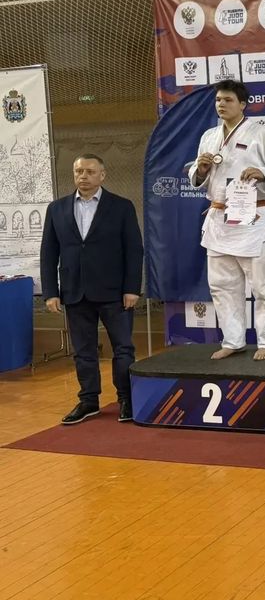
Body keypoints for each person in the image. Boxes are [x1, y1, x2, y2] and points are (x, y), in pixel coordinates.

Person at [189, 80, 265, 361]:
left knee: (263, 286)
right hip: (220, 218)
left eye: (228, 100)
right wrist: (201, 170)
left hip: (253, 217)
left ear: (243, 104)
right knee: (222, 285)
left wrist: (263, 173)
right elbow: (198, 177)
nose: (221, 104)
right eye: (218, 100)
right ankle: (233, 340)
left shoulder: (261, 134)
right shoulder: (209, 136)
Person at [41, 154, 144, 425]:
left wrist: (132, 288)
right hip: (75, 292)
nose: (83, 176)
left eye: (89, 171)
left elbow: (134, 250)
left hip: (115, 292)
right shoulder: (57, 209)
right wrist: (51, 291)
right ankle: (89, 401)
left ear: (102, 175)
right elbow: (48, 253)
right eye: (79, 172)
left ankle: (126, 399)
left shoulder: (121, 207)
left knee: (123, 349)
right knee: (83, 351)